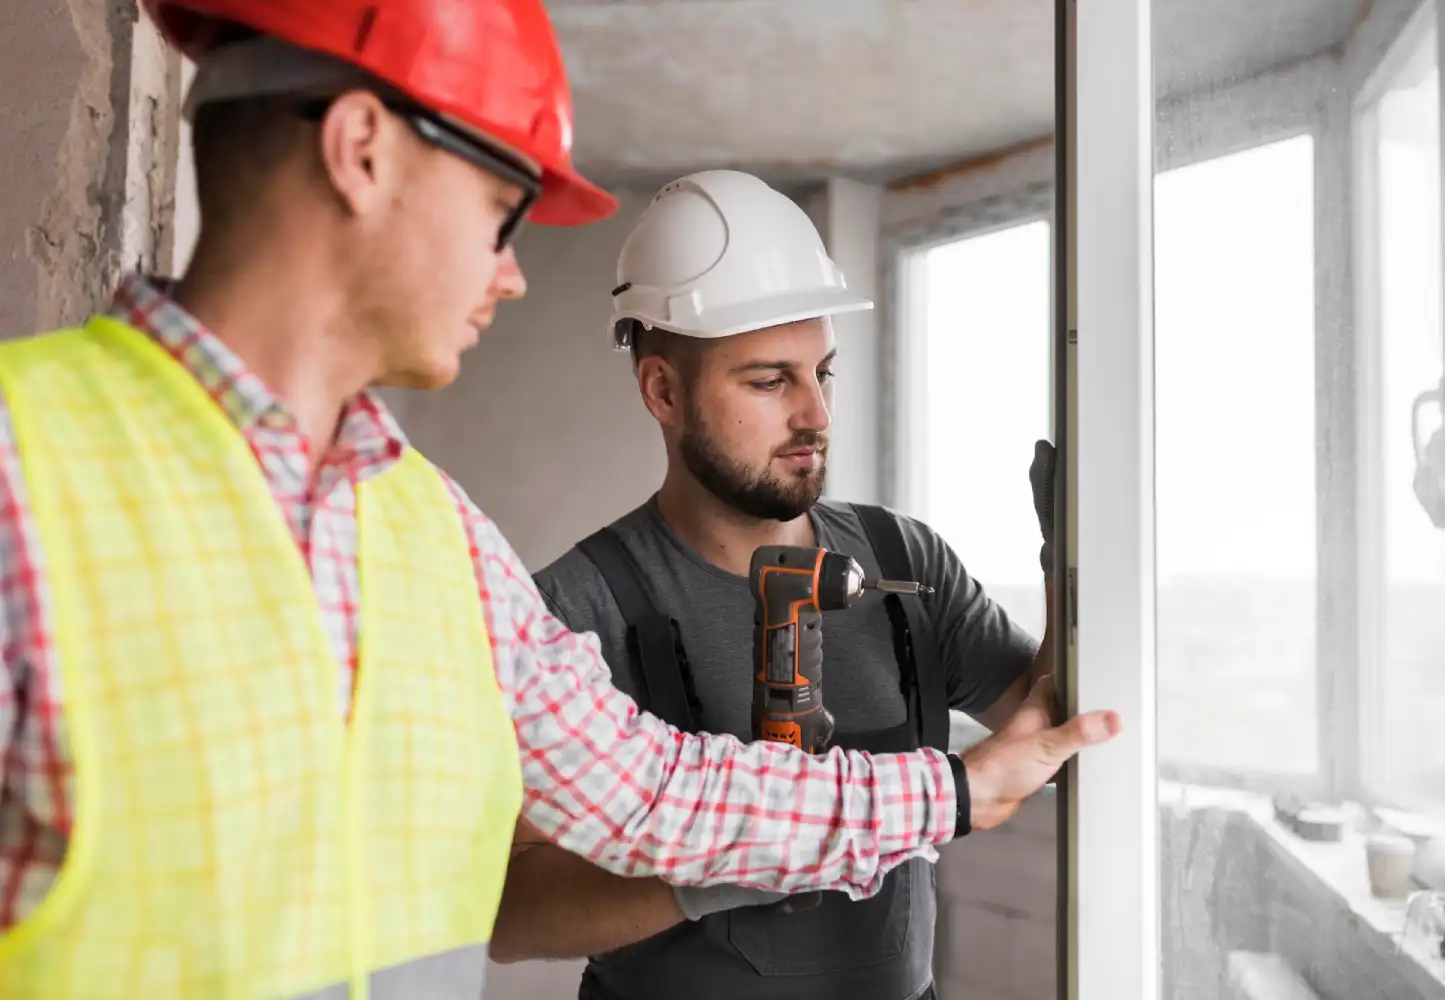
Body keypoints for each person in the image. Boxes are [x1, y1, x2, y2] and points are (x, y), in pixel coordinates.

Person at [0, 4, 1117, 998]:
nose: (515, 271)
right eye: (500, 208)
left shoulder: (433, 536)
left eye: (817, 373)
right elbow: (523, 894)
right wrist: (936, 799)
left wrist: (956, 787)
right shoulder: (24, 473)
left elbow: (651, 793)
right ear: (363, 152)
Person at [490, 169, 1062, 1000]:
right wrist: (729, 865)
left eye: (822, 372)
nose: (816, 416)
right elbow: (510, 910)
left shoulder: (904, 562)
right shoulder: (576, 610)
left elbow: (1042, 735)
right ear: (662, 389)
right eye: (769, 380)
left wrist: (1071, 569)